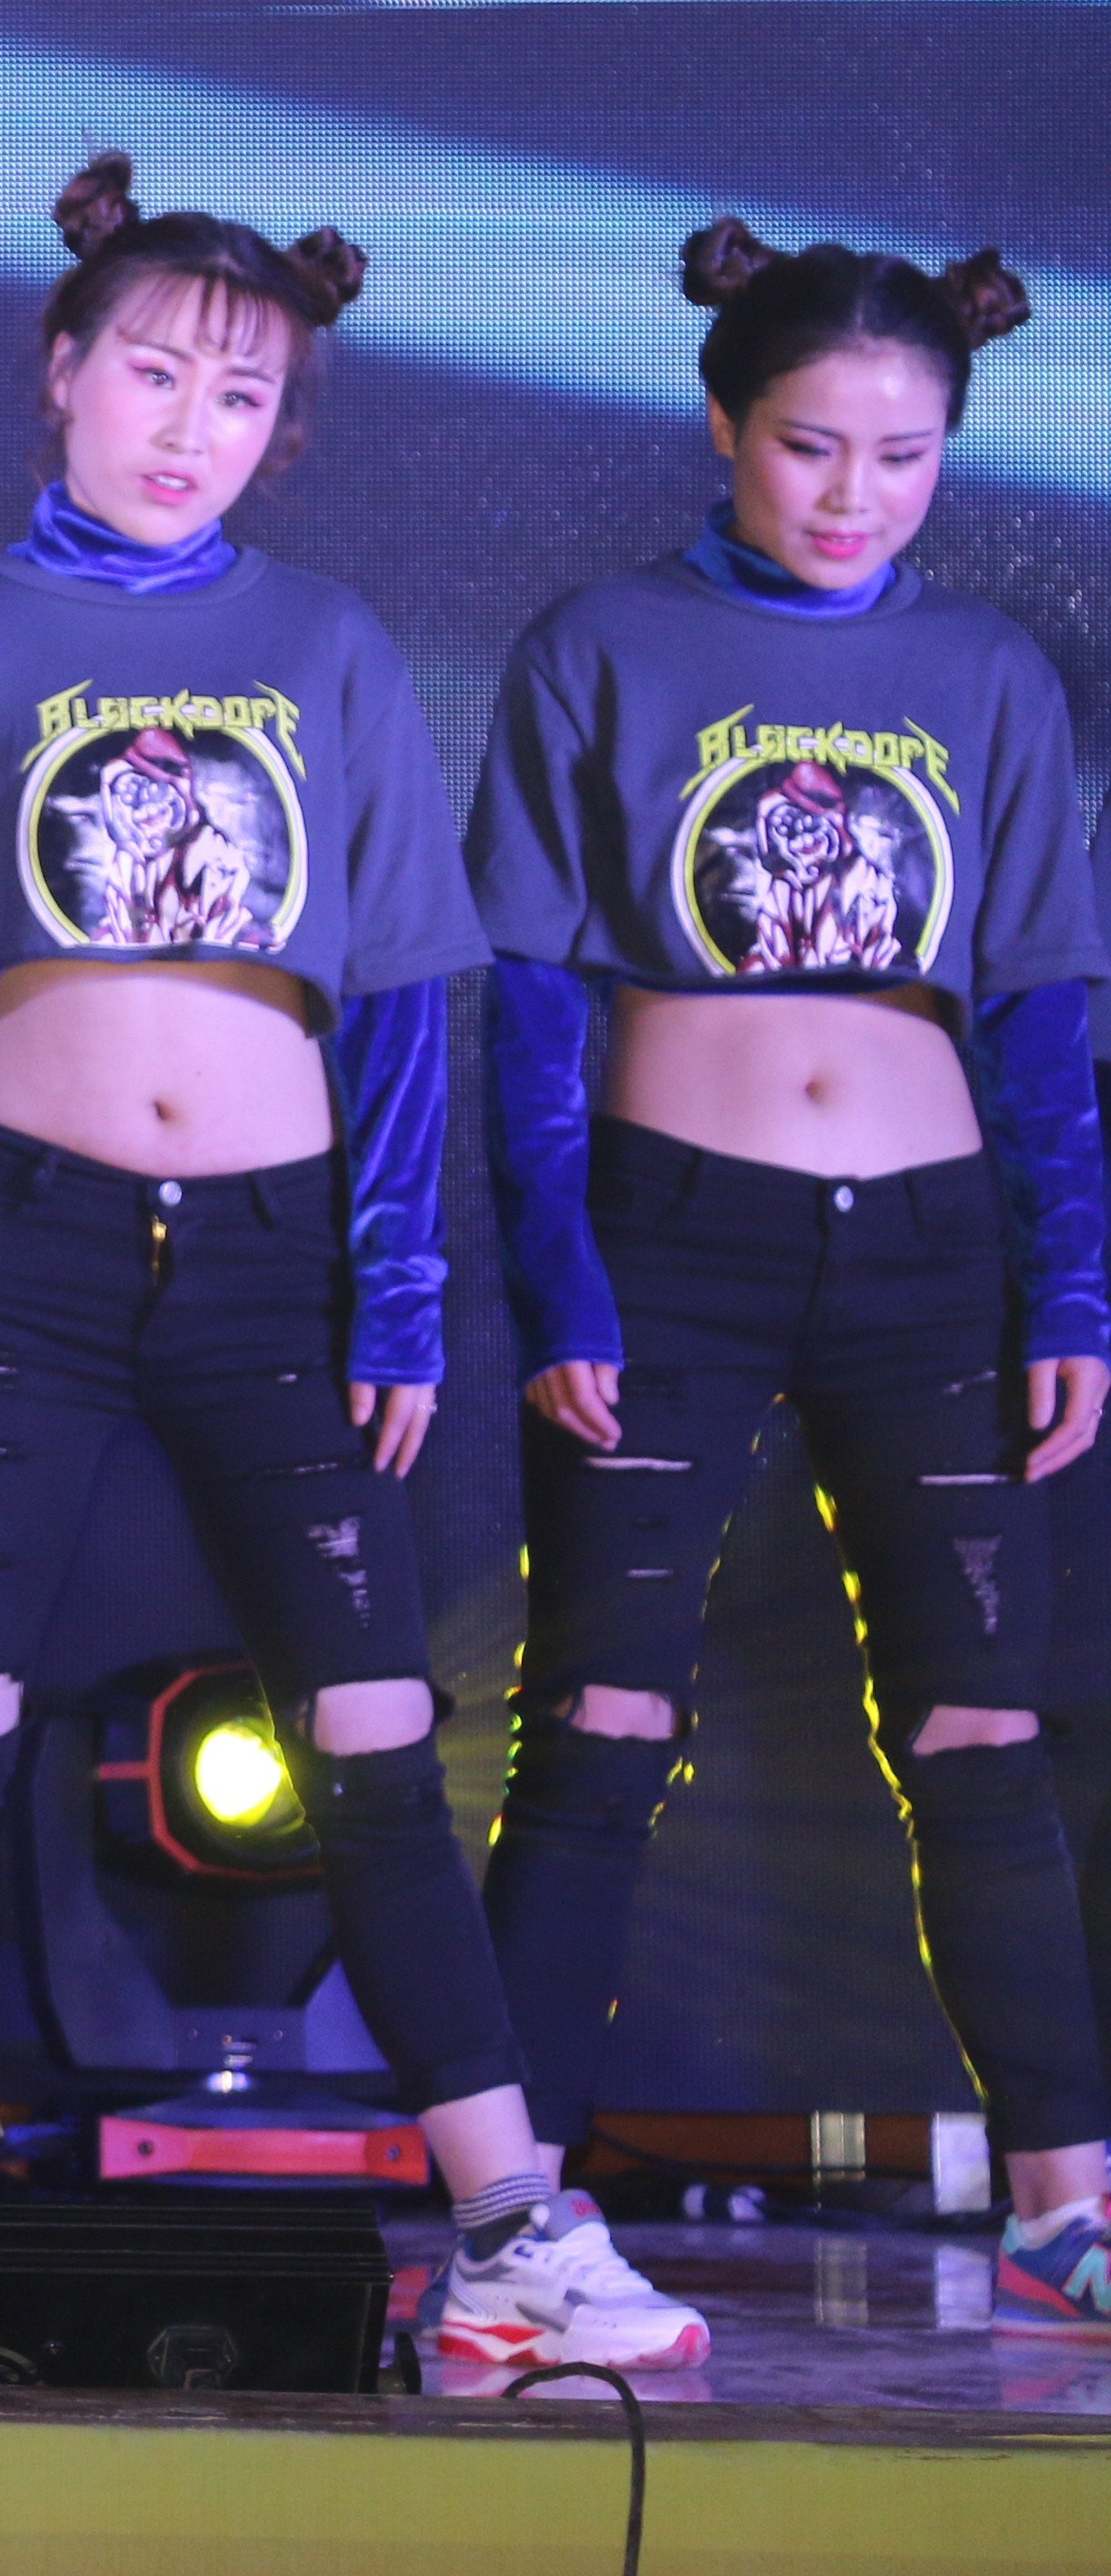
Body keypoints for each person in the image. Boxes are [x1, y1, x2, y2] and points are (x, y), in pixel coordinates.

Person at [0, 154, 702, 2369]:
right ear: (62, 370)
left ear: (282, 427)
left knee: (378, 1741)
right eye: (153, 372)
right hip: (11, 1240)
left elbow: (403, 993)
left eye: (241, 394)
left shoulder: (322, 647)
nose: (188, 425)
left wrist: (398, 1285)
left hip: (270, 1263)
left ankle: (509, 2239)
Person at [469, 222, 1109, 2343]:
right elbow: (528, 997)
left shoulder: (990, 675)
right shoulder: (605, 643)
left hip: (928, 1248)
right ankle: (516, 2222)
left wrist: (1072, 1290)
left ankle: (1067, 2203)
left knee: (982, 1729)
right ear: (726, 425)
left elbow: (1039, 1008)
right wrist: (558, 1281)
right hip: (674, 1235)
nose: (856, 494)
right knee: (599, 1721)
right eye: (813, 445)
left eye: (904, 457)